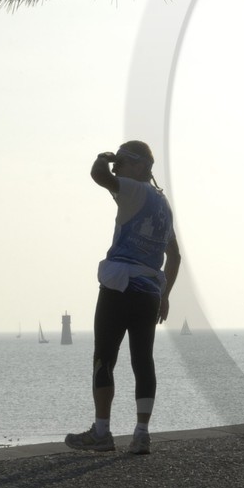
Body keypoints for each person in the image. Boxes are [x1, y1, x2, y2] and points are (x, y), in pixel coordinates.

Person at [65, 141, 181, 456]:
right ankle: (142, 434)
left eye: (124, 162)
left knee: (104, 357)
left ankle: (102, 432)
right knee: (143, 361)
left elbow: (98, 174)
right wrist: (166, 295)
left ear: (140, 167)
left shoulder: (132, 189)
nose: (118, 168)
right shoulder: (163, 205)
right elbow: (175, 256)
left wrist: (104, 157)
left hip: (119, 284)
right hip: (149, 290)